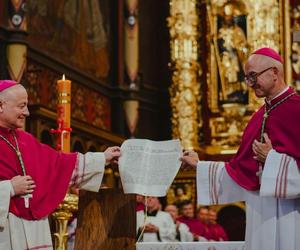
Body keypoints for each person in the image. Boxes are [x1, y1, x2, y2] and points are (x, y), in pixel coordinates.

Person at [180, 47, 300, 250]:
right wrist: (198, 165)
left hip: (291, 214)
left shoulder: (297, 108)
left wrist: (271, 159)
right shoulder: (258, 117)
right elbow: (239, 171)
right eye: (247, 78)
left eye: (253, 76)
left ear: (274, 73)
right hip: (259, 213)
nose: (250, 84)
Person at [0, 80, 121, 250]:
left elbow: (61, 165)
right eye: (22, 106)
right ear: (1, 105)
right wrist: (9, 188)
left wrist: (103, 157)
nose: (26, 112)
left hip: (36, 231)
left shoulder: (26, 141)